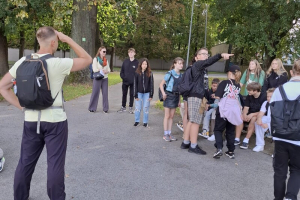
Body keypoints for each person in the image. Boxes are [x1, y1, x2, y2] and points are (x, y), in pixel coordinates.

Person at [0, 26, 92, 199]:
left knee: (25, 164)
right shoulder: (57, 64)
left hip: (31, 121)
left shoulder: (22, 62)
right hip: (55, 121)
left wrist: (22, 107)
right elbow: (87, 59)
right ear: (53, 42)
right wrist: (68, 39)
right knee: (55, 166)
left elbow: (3, 87)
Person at [180, 48, 233, 155]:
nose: (206, 56)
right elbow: (209, 62)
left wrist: (207, 98)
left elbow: (204, 86)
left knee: (192, 120)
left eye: (207, 54)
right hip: (195, 96)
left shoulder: (203, 69)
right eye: (203, 54)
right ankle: (193, 146)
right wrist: (220, 55)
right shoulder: (198, 65)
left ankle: (186, 142)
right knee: (195, 121)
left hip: (199, 96)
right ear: (197, 57)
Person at [270, 59, 300, 200]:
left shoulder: (279, 90)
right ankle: (290, 196)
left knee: (280, 171)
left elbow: (272, 113)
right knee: (297, 169)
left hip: (280, 135)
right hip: (298, 138)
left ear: (291, 72)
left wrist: (273, 135)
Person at [213, 65, 242, 159]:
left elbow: (218, 96)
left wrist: (214, 99)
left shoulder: (224, 83)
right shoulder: (238, 85)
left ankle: (219, 148)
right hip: (233, 110)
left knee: (218, 129)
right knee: (230, 130)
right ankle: (231, 151)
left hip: (224, 109)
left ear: (229, 73)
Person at [235, 82, 267, 149]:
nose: (248, 91)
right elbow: (246, 107)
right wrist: (244, 114)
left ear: (255, 91)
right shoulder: (249, 96)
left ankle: (246, 140)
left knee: (253, 119)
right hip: (250, 113)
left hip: (259, 114)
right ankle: (237, 138)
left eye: (249, 90)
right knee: (240, 118)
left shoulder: (264, 97)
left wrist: (252, 114)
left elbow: (263, 111)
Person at [160, 57, 184, 142]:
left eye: (182, 63)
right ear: (174, 64)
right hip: (168, 96)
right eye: (179, 63)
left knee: (172, 116)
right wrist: (163, 94)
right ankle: (165, 133)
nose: (181, 65)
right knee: (167, 116)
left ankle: (169, 133)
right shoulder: (169, 73)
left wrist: (179, 100)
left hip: (176, 96)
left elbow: (180, 90)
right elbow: (161, 85)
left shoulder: (181, 76)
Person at [88, 46, 111, 113]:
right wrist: (100, 70)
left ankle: (105, 109)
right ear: (100, 51)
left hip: (105, 78)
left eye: (105, 52)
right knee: (95, 92)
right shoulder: (96, 59)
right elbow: (94, 69)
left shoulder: (106, 60)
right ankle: (92, 108)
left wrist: (106, 71)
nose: (104, 53)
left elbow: (109, 69)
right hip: (98, 77)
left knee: (105, 93)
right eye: (103, 51)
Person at [133, 58, 154, 127]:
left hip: (147, 93)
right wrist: (135, 94)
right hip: (139, 93)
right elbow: (135, 84)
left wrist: (151, 95)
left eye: (146, 64)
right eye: (143, 64)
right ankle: (137, 121)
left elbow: (151, 84)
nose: (144, 65)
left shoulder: (150, 73)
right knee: (138, 107)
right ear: (140, 65)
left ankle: (145, 122)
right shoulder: (137, 73)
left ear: (147, 65)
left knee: (145, 107)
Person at [253, 88, 275, 152]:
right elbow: (261, 113)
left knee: (275, 127)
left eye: (271, 97)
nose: (268, 98)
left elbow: (279, 118)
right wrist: (259, 119)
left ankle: (278, 150)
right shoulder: (266, 103)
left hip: (277, 121)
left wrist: (268, 125)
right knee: (258, 122)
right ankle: (260, 145)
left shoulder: (280, 104)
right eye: (268, 96)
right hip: (269, 118)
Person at [118, 48, 139, 114]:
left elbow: (138, 73)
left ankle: (130, 107)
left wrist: (135, 80)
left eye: (132, 52)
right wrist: (123, 77)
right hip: (125, 81)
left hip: (133, 82)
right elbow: (122, 71)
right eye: (130, 52)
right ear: (128, 53)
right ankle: (123, 107)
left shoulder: (137, 62)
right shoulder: (125, 62)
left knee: (132, 94)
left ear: (134, 53)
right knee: (124, 94)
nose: (131, 54)